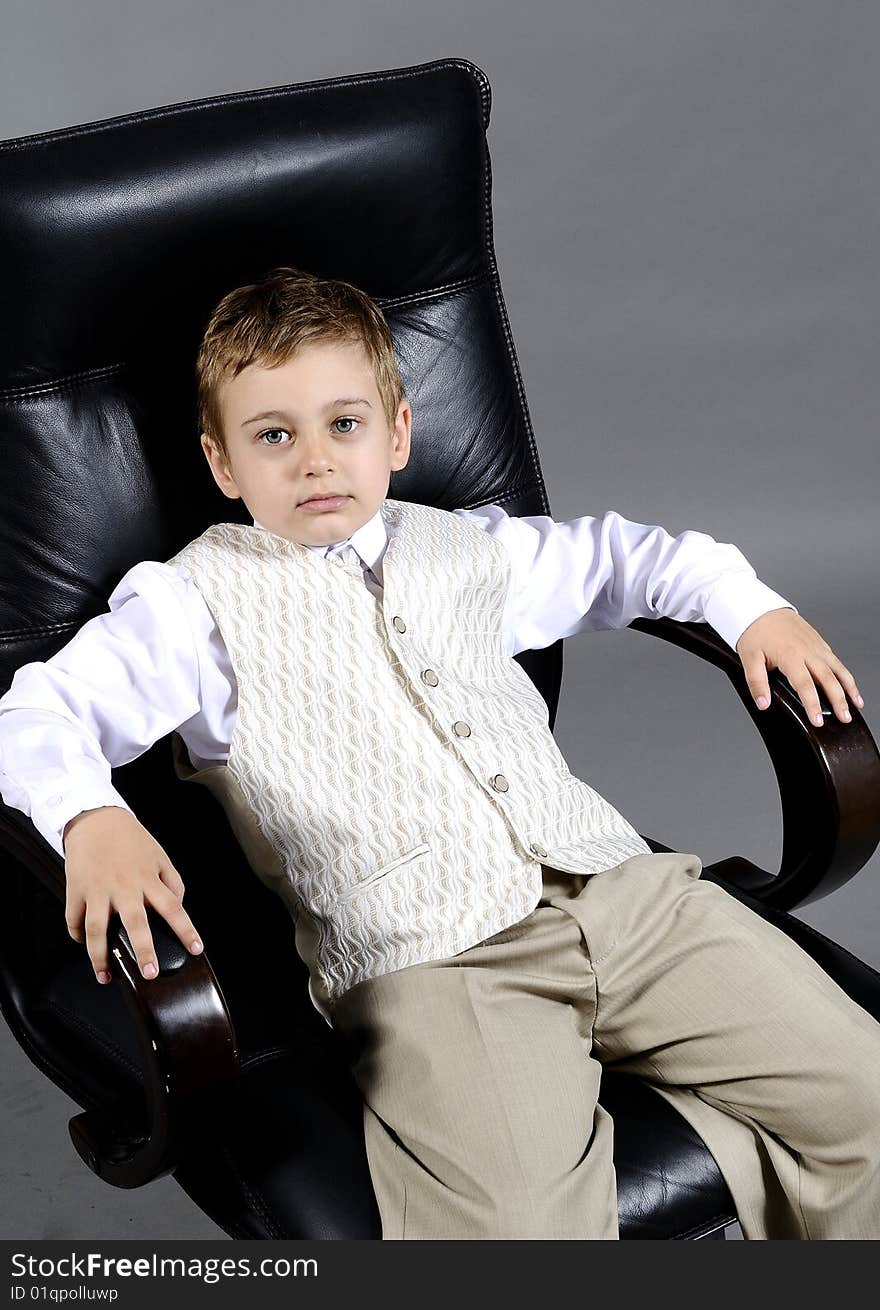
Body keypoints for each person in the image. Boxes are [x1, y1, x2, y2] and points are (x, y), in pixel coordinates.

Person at [1, 265, 877, 1241]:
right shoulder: (187, 607)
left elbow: (639, 558)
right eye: (273, 436)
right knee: (521, 1233)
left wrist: (754, 608)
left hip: (630, 896)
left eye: (345, 424)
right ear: (221, 462)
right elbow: (33, 716)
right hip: (437, 962)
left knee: (868, 1095)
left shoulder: (467, 547)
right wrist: (91, 815)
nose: (315, 462)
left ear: (398, 434)